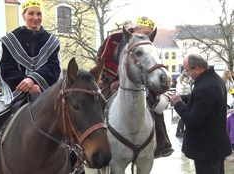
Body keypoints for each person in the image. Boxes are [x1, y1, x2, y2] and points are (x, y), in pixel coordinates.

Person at [0, 0, 64, 173]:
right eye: (31, 13)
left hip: (44, 92)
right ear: (23, 15)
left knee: (70, 128)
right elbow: (5, 68)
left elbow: (54, 67)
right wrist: (25, 84)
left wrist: (34, 80)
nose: (35, 18)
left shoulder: (52, 42)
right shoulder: (10, 40)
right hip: (14, 93)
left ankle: (76, 166)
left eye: (38, 14)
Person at [97, 16, 174, 158]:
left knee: (157, 104)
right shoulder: (114, 38)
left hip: (141, 78)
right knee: (97, 103)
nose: (147, 36)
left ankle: (162, 143)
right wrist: (121, 75)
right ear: (136, 29)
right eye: (145, 32)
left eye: (149, 33)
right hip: (112, 78)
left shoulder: (147, 44)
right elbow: (103, 60)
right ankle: (97, 144)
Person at [169, 53, 232, 174]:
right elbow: (196, 97)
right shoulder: (214, 79)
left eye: (187, 70)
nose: (187, 73)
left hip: (206, 150)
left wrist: (178, 103)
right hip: (215, 147)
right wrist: (180, 97)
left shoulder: (205, 86)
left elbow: (192, 121)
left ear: (197, 69)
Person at [175, 70, 192, 137]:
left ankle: (181, 130)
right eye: (188, 74)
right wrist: (181, 101)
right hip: (183, 101)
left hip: (187, 101)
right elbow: (180, 93)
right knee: (182, 117)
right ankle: (179, 131)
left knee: (183, 117)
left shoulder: (188, 82)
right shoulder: (181, 82)